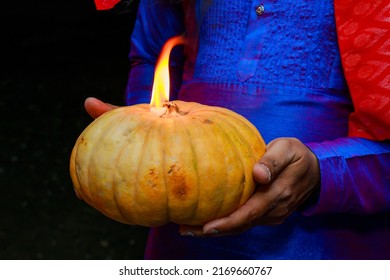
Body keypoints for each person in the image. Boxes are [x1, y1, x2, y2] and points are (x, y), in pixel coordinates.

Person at [87, 0, 390, 259]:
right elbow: (152, 53)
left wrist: (323, 173)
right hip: (181, 234)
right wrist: (141, 144)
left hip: (328, 242)